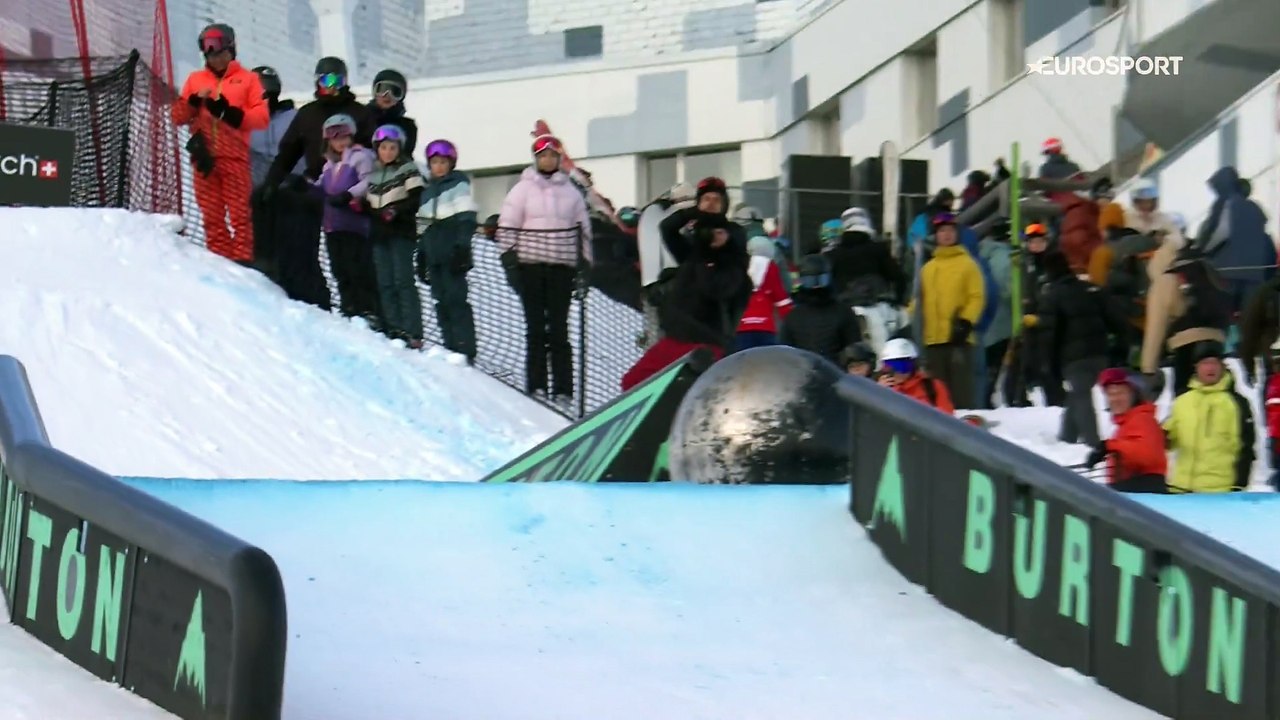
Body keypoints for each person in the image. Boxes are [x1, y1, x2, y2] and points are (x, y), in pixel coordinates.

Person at [498, 134, 594, 401]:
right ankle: (537, 384)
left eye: (553, 156)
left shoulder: (571, 193)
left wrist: (585, 266)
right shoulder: (522, 190)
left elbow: (583, 231)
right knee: (536, 327)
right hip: (530, 266)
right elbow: (509, 225)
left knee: (559, 329)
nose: (548, 160)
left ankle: (563, 388)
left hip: (561, 269)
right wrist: (509, 261)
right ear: (536, 159)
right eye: (543, 156)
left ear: (559, 159)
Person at [621, 208, 749, 390]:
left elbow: (716, 290)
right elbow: (667, 229)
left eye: (720, 232)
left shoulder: (734, 271)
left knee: (692, 390)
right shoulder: (694, 259)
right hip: (676, 337)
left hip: (707, 343)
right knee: (632, 381)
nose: (713, 237)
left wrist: (704, 262)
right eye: (711, 232)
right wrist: (698, 213)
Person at [171, 23, 269, 264]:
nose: (216, 59)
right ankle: (222, 264)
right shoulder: (196, 80)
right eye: (210, 54)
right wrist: (193, 101)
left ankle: (243, 262)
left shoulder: (248, 79)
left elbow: (261, 118)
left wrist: (229, 113)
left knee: (239, 215)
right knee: (212, 216)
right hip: (204, 158)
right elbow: (177, 116)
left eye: (220, 53)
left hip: (234, 156)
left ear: (231, 50)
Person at [1024, 249, 1120, 446]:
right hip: (1099, 352)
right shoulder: (1090, 289)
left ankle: (1092, 443)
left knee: (1082, 396)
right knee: (1077, 394)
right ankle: (1066, 439)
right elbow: (1115, 319)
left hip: (1074, 357)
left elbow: (1049, 334)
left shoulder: (1051, 296)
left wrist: (1047, 365)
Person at [262, 57, 374, 195]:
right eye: (326, 81)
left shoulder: (360, 113)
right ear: (317, 82)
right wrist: (271, 183)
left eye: (337, 81)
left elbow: (374, 151)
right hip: (315, 183)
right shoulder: (307, 114)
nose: (331, 87)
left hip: (351, 186)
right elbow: (287, 154)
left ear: (345, 82)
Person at [308, 114, 379, 325]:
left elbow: (369, 181)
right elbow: (321, 187)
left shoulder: (360, 157)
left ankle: (366, 308)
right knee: (339, 268)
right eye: (333, 135)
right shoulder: (329, 164)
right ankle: (349, 307)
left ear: (351, 135)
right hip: (333, 226)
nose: (339, 140)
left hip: (354, 225)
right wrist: (306, 188)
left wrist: (349, 195)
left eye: (343, 134)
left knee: (357, 266)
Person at [908, 213, 985, 408]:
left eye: (951, 230)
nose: (947, 234)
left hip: (958, 340)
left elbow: (976, 296)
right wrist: (912, 318)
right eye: (942, 230)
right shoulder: (928, 268)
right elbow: (918, 299)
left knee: (961, 395)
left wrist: (966, 321)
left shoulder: (968, 264)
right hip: (932, 342)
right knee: (935, 394)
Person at [363, 125, 426, 348]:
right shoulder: (374, 172)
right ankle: (394, 327)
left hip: (400, 232)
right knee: (385, 282)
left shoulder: (407, 168)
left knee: (403, 280)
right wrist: (363, 206)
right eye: (383, 148)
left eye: (392, 148)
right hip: (380, 234)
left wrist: (396, 210)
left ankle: (413, 330)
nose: (388, 152)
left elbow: (416, 197)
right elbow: (370, 202)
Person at [417, 139, 479, 363]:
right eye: (435, 162)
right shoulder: (426, 192)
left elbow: (466, 218)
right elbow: (422, 227)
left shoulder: (457, 185)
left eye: (443, 162)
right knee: (440, 300)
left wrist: (462, 247)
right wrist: (422, 255)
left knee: (456, 300)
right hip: (434, 256)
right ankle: (450, 345)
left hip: (452, 254)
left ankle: (464, 348)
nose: (439, 167)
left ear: (451, 164)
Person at [1165, 340, 1255, 492]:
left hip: (1219, 492)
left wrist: (1239, 484)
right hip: (1179, 489)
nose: (1210, 368)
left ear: (1222, 366)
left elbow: (1246, 447)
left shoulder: (1236, 403)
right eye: (1205, 363)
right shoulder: (1182, 401)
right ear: (1196, 367)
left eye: (1215, 363)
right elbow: (1169, 439)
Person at [1141, 243, 1231, 396]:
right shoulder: (1209, 272)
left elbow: (1156, 327)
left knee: (1187, 398)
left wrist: (1148, 368)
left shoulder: (1166, 280)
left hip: (1185, 344)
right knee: (1219, 392)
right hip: (1217, 342)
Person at [1198, 166, 1276, 316]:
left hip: (1231, 273)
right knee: (1250, 315)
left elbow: (1222, 233)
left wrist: (1203, 251)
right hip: (1256, 273)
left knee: (1225, 313)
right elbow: (1264, 235)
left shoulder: (1228, 204)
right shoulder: (1254, 207)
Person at [1084, 369, 1167, 493]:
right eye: (1111, 394)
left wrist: (1109, 446)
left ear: (1134, 395)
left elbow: (1147, 454)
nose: (1116, 399)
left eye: (1121, 393)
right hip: (1132, 493)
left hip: (1145, 494)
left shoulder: (1143, 418)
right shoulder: (1126, 423)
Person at [778, 255, 861, 365]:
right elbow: (785, 353)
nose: (816, 287)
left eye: (820, 280)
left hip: (833, 375)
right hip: (807, 375)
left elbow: (854, 348)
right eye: (810, 281)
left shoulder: (843, 312)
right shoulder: (794, 316)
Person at [826, 209, 904, 306]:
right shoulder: (878, 250)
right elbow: (898, 278)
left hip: (844, 309)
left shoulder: (832, 255)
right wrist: (898, 301)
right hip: (878, 308)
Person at [733, 235, 794, 351]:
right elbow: (781, 298)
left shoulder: (738, 266)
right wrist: (792, 319)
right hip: (765, 326)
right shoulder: (771, 267)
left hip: (741, 326)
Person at [876, 337, 955, 413]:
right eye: (892, 367)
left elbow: (947, 418)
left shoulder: (933, 387)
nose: (898, 373)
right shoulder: (882, 390)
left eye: (904, 366)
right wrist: (877, 393)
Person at [365, 69, 418, 157]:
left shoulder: (408, 127)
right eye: (382, 90)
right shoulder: (362, 120)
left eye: (395, 92)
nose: (387, 95)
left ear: (402, 96)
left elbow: (406, 157)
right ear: (374, 92)